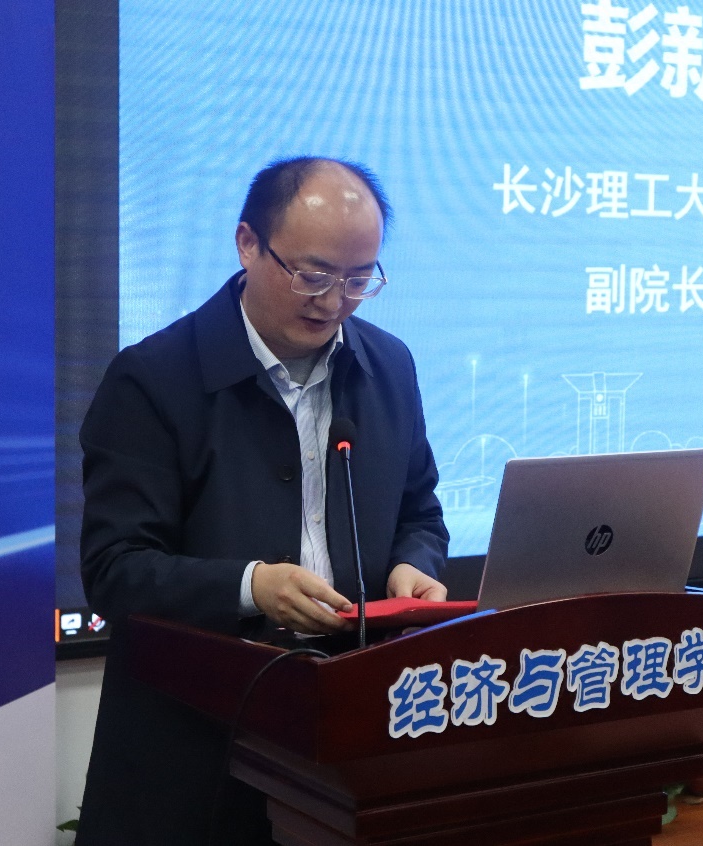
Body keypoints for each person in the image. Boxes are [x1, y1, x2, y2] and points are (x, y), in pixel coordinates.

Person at [74, 157, 449, 845]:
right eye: (313, 274)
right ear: (248, 243)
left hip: (347, 741)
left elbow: (420, 512)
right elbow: (114, 569)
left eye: (358, 279)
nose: (333, 301)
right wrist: (252, 588)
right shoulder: (153, 380)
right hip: (197, 752)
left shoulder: (389, 366)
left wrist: (412, 563)